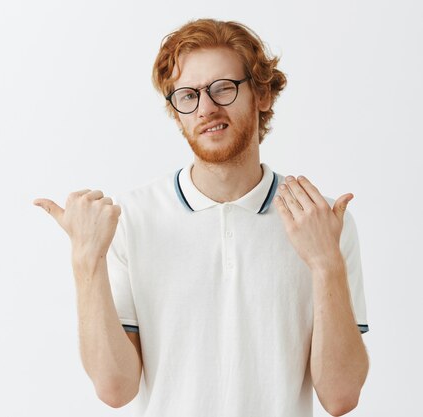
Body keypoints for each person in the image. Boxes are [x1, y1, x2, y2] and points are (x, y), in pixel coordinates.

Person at [33, 18, 369, 417]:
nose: (206, 108)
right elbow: (115, 388)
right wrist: (86, 261)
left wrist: (325, 262)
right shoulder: (133, 219)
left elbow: (341, 396)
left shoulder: (322, 221)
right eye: (188, 95)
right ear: (177, 112)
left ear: (261, 94)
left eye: (223, 88)